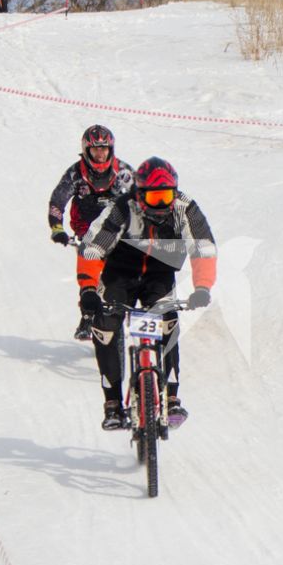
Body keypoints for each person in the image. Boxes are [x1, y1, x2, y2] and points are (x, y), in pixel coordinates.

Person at [77, 156, 216, 431]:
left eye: (166, 196)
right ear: (139, 195)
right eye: (154, 198)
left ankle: (172, 398)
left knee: (168, 324)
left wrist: (202, 287)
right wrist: (89, 289)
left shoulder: (184, 207)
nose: (161, 205)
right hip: (120, 273)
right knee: (105, 326)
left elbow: (204, 247)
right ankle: (113, 404)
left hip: (159, 275)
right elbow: (92, 247)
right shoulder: (121, 208)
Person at [46, 124, 133, 340]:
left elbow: (142, 199)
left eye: (104, 149)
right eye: (96, 149)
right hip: (86, 229)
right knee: (89, 272)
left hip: (117, 229)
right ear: (86, 150)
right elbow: (58, 200)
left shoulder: (123, 172)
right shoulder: (76, 173)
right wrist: (57, 228)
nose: (100, 153)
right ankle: (87, 314)